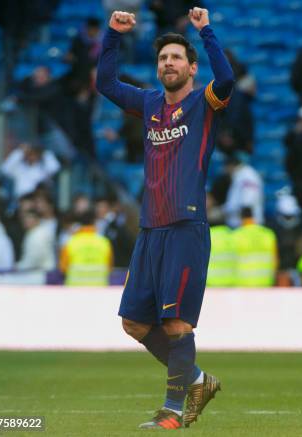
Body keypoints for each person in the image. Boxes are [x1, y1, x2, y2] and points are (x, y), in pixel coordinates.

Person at [96, 8, 233, 429]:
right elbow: (105, 83)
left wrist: (205, 31)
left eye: (176, 58)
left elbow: (225, 79)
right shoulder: (150, 102)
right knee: (135, 323)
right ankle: (195, 379)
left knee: (176, 322)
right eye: (162, 59)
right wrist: (113, 35)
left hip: (186, 228)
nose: (167, 64)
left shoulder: (204, 102)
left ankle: (172, 411)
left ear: (192, 68)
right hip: (150, 228)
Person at [59, 209, 113, 286]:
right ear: (94, 222)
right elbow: (109, 268)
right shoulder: (105, 243)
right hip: (99, 290)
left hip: (75, 291)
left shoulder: (70, 243)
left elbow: (63, 268)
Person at [231, 207, 277, 287]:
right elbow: (275, 260)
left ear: (241, 218)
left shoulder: (235, 236)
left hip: (242, 283)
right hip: (265, 282)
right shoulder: (268, 234)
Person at [223, 152, 264, 228]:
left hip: (246, 225)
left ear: (230, 166)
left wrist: (247, 228)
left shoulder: (248, 175)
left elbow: (247, 203)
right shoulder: (240, 175)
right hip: (240, 225)